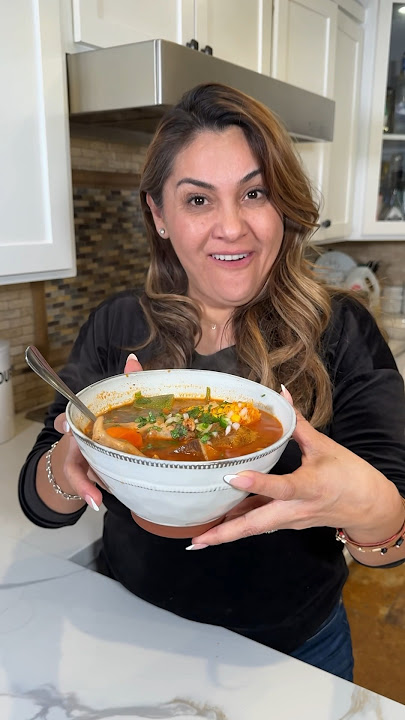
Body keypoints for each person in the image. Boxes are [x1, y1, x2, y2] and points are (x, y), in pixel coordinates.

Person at [19, 83, 405, 682]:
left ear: (283, 205)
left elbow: (393, 534)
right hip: (130, 634)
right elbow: (41, 503)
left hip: (296, 654)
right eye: (198, 201)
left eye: (254, 193)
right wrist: (69, 461)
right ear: (159, 215)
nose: (232, 227)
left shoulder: (342, 329)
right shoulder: (118, 323)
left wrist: (376, 511)